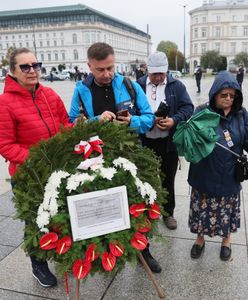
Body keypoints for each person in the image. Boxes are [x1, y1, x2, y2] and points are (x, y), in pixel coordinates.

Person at [69, 42, 162, 273]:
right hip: (97, 159)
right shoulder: (81, 90)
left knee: (137, 204)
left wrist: (132, 121)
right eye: (100, 70)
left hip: (132, 154)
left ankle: (144, 249)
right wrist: (94, 121)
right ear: (89, 66)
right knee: (103, 206)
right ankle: (106, 253)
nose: (107, 74)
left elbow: (149, 118)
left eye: (110, 68)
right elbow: (71, 124)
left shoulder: (129, 85)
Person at [0, 48, 71, 288]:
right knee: (35, 221)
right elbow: (5, 145)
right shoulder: (5, 103)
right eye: (25, 67)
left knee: (59, 215)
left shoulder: (49, 94)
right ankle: (38, 265)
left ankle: (61, 253)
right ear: (13, 71)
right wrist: (37, 159)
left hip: (56, 170)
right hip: (28, 175)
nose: (32, 71)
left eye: (36, 65)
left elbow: (65, 124)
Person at [188, 71, 248, 261]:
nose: (228, 99)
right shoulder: (201, 111)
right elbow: (190, 141)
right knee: (201, 207)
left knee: (227, 210)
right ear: (215, 94)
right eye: (224, 95)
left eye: (232, 95)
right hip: (205, 171)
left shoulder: (241, 114)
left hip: (229, 173)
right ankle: (200, 240)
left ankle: (226, 241)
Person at [137, 52, 194, 230]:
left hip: (168, 143)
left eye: (162, 73)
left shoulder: (176, 86)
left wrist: (174, 120)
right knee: (144, 179)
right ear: (148, 71)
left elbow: (188, 107)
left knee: (168, 179)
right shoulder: (137, 86)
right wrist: (145, 120)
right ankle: (146, 212)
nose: (159, 77)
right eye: (155, 74)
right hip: (144, 142)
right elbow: (129, 109)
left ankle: (168, 213)